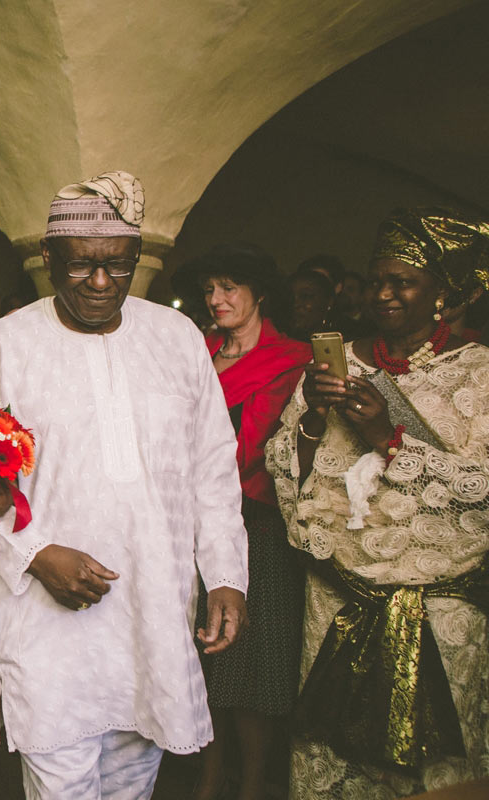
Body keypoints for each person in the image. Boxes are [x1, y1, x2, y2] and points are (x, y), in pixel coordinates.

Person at [0, 172, 249, 800]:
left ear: (137, 261)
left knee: (132, 786)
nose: (99, 282)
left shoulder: (176, 340)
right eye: (82, 265)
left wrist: (226, 573)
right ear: (50, 260)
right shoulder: (5, 346)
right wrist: (36, 556)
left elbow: (212, 467)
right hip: (46, 623)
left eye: (117, 266)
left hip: (154, 614)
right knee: (60, 782)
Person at [266, 208, 489, 799]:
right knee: (332, 761)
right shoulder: (339, 364)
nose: (384, 294)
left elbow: (482, 492)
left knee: (428, 773)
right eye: (377, 280)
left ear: (441, 293)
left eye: (404, 281)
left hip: (438, 616)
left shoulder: (479, 373)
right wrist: (313, 416)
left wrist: (389, 438)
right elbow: (287, 474)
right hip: (337, 602)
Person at [173, 244, 312, 800]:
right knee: (202, 657)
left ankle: (253, 784)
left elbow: (283, 447)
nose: (216, 299)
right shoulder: (196, 351)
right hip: (191, 524)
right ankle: (208, 780)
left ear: (259, 294)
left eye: (229, 288)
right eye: (210, 289)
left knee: (254, 661)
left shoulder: (295, 358)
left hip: (258, 521)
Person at [287, 266, 335, 342]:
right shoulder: (277, 339)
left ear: (329, 301)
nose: (296, 303)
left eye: (306, 296)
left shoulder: (343, 343)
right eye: (290, 296)